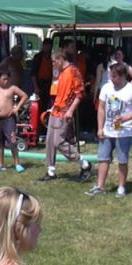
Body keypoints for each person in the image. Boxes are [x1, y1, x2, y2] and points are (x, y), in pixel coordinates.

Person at [87, 62, 132, 197]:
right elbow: (101, 108)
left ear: (123, 75)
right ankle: (100, 186)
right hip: (107, 130)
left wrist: (126, 117)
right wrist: (100, 128)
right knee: (103, 158)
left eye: (114, 76)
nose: (111, 79)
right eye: (110, 76)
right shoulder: (106, 88)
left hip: (125, 131)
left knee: (122, 160)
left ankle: (121, 187)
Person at [40, 50, 92, 182]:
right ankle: (51, 170)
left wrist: (70, 111)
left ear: (60, 59)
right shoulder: (62, 72)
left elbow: (79, 94)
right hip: (56, 110)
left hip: (64, 111)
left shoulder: (73, 71)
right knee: (50, 141)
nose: (53, 64)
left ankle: (84, 163)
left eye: (54, 61)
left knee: (59, 141)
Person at [0, 69, 29, 173]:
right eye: (4, 79)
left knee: (12, 141)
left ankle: (17, 163)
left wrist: (17, 108)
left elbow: (24, 96)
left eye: (7, 79)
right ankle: (0, 164)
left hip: (9, 119)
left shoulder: (12, 88)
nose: (6, 81)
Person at [30, 38, 54, 113]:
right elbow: (33, 73)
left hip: (49, 83)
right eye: (45, 45)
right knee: (38, 104)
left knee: (47, 103)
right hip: (39, 83)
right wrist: (36, 87)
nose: (46, 47)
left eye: (48, 45)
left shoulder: (52, 57)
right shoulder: (38, 57)